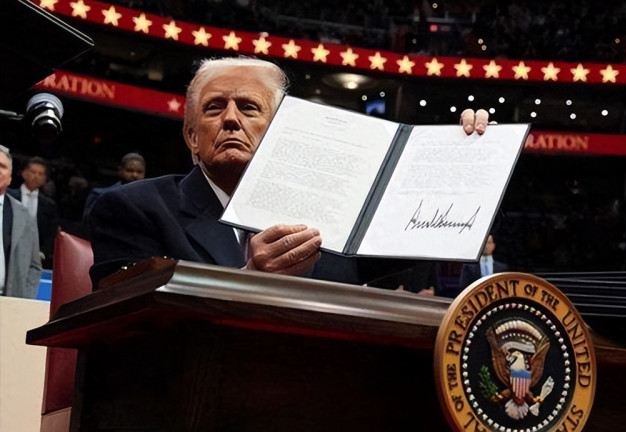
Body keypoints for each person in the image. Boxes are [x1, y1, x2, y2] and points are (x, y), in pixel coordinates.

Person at [87, 56, 491, 288]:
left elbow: (441, 234)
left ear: (282, 132)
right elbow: (129, 325)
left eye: (248, 107)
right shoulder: (131, 209)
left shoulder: (341, 214)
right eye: (214, 107)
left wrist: (469, 158)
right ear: (192, 137)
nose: (231, 119)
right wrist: (251, 279)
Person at [0, 146, 43, 298]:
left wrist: (24, 298)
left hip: (9, 303)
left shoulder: (24, 215)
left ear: (10, 178)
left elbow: (34, 266)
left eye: (2, 166)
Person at [7, 156, 59, 269]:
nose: (36, 176)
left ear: (45, 179)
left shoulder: (49, 205)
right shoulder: (8, 197)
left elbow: (53, 233)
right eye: (33, 172)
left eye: (40, 174)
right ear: (24, 173)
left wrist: (43, 252)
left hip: (36, 258)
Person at [82, 152, 146, 223]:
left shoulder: (149, 199)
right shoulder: (100, 195)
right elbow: (89, 223)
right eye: (129, 170)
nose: (135, 175)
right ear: (120, 170)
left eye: (140, 172)